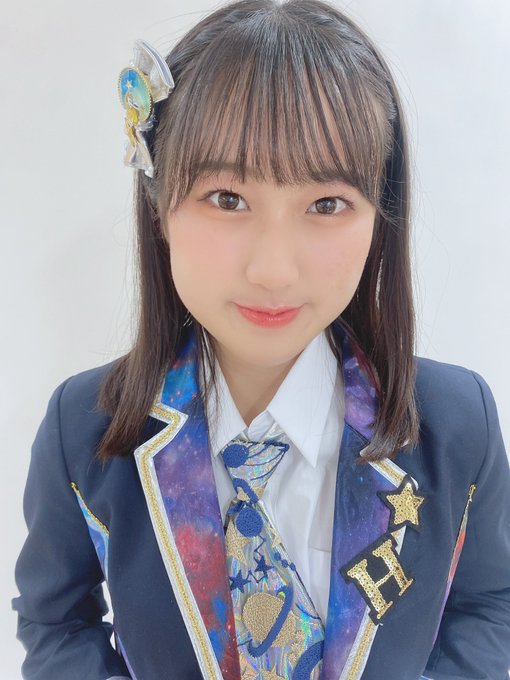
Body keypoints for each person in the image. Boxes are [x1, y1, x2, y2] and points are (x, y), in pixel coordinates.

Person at [12, 0, 510, 678]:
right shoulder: (84, 428)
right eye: (228, 198)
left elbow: (487, 602)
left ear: (380, 217)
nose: (273, 270)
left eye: (327, 204)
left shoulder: (457, 423)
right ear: (159, 204)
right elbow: (56, 617)